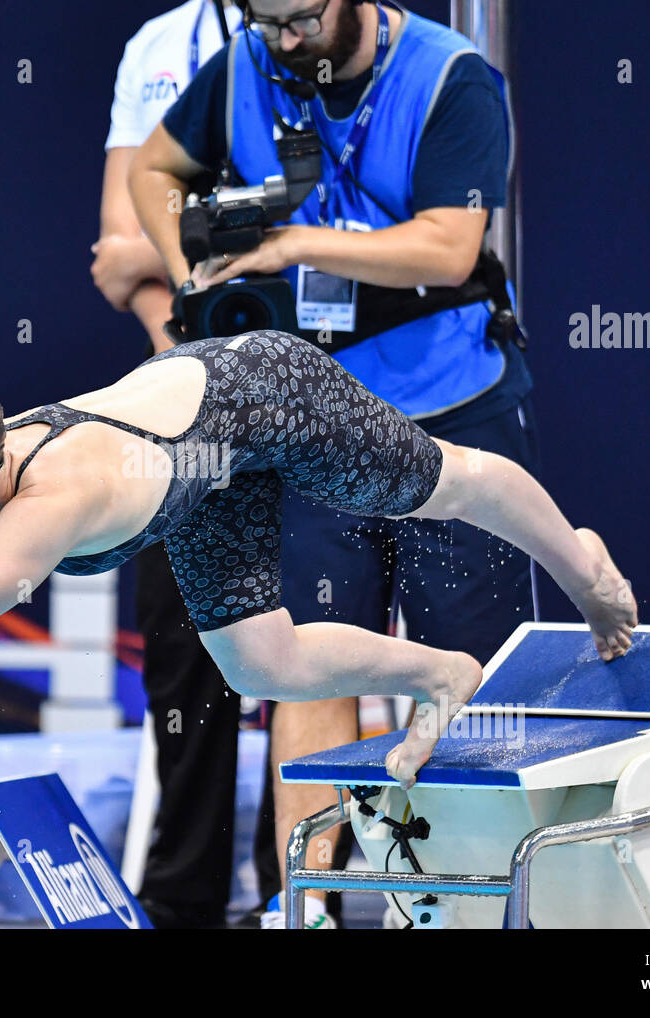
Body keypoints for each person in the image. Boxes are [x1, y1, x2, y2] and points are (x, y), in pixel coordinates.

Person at [0, 330, 638, 798]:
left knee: (446, 485)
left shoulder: (51, 500)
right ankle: (440, 672)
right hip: (194, 477)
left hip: (261, 397)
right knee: (257, 664)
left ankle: (584, 569)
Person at [127, 0, 537, 927]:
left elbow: (448, 243)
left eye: (301, 18)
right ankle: (301, 906)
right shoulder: (242, 65)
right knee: (302, 669)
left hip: (450, 412)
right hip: (313, 426)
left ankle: (459, 912)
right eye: (266, 19)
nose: (284, 40)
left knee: (463, 673)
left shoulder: (452, 78)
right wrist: (187, 263)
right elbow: (153, 168)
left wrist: (294, 243)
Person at [91, 0, 258, 930]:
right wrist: (195, 357)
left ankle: (294, 884)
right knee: (183, 642)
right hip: (182, 390)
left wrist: (167, 248)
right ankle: (184, 894)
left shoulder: (329, 35)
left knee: (314, 649)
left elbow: (147, 245)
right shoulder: (158, 44)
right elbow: (115, 252)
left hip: (319, 384)